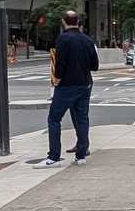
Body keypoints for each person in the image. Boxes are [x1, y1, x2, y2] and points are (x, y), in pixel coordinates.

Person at [36, 9, 98, 168]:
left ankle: (53, 156)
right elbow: (95, 65)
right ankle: (81, 155)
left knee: (54, 118)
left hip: (67, 85)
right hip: (85, 83)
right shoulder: (88, 40)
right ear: (78, 22)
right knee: (82, 118)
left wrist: (57, 79)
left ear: (64, 22)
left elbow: (60, 62)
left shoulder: (63, 38)